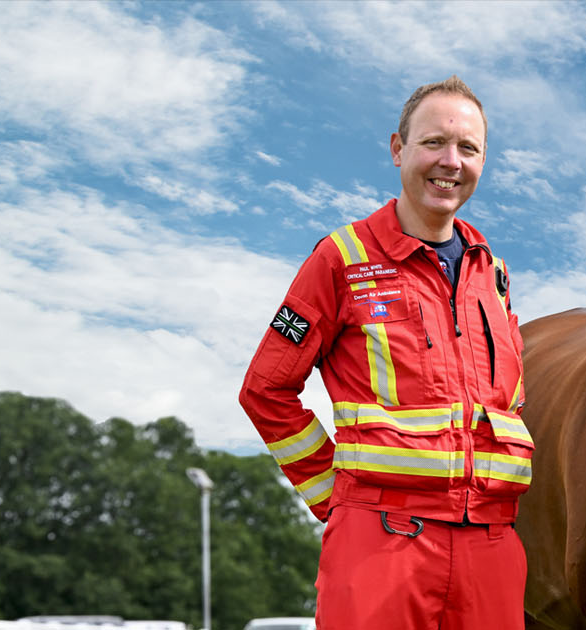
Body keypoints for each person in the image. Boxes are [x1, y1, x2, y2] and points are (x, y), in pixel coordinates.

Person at [238, 76, 530, 630]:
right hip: (382, 544)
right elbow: (265, 390)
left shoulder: (493, 274)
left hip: (492, 547)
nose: (451, 161)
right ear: (398, 149)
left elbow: (505, 404)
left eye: (468, 148)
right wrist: (337, 500)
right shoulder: (340, 259)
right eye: (433, 143)